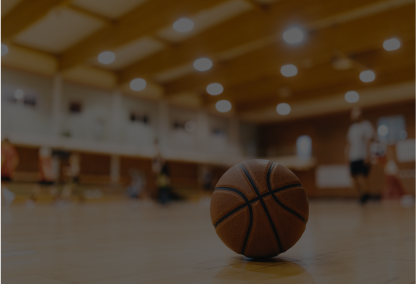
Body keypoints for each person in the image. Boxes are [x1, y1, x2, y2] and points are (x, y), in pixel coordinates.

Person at [345, 107, 375, 204]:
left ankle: (364, 196)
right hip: (353, 156)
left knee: (362, 177)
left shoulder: (366, 125)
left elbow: (369, 141)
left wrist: (368, 155)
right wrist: (346, 155)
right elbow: (349, 143)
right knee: (354, 178)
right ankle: (363, 194)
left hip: (363, 156)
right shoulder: (352, 128)